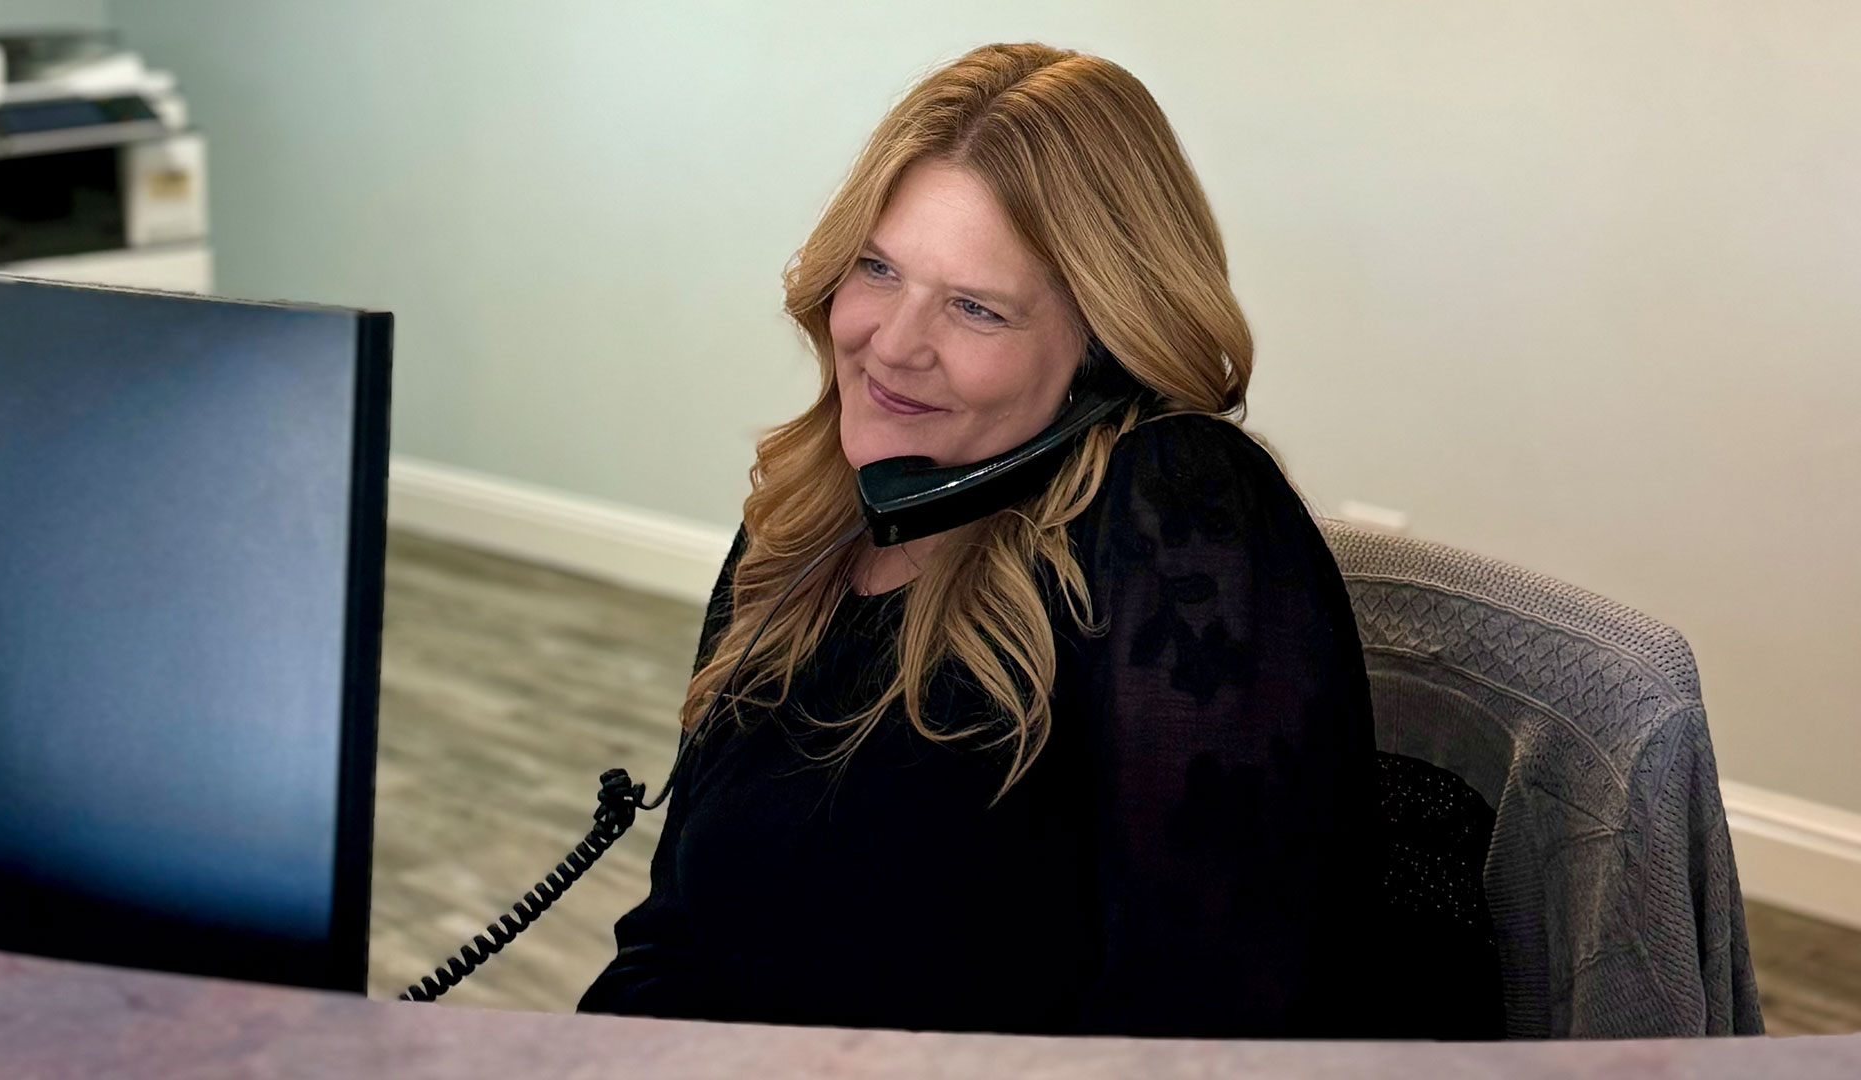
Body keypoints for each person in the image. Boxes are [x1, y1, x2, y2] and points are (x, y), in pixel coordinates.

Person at [577, 42, 1384, 1037]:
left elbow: (1208, 1026)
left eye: (975, 308)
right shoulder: (811, 520)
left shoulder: (1178, 516)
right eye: (877, 268)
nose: (894, 342)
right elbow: (674, 935)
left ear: (1102, 347)